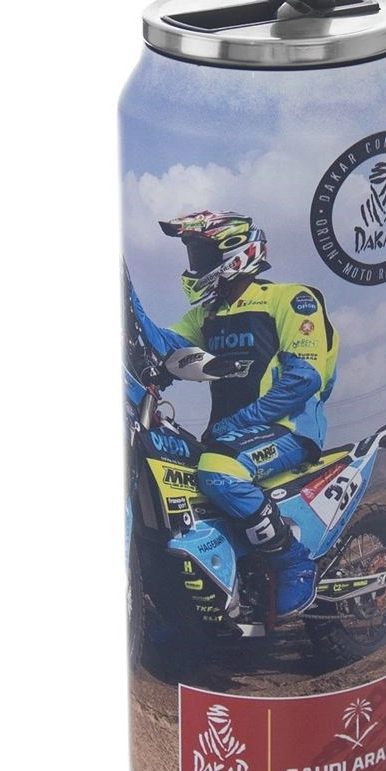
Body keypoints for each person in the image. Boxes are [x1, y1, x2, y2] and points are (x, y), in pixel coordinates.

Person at [127, 210, 339, 615]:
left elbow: (304, 379)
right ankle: (188, 609)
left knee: (217, 472)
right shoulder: (207, 315)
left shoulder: (292, 299)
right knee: (172, 474)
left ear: (234, 253)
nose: (194, 265)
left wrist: (242, 420)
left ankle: (293, 563)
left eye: (201, 255)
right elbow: (164, 347)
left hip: (288, 430)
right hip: (229, 437)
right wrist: (127, 304)